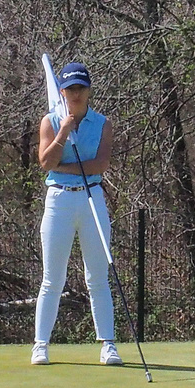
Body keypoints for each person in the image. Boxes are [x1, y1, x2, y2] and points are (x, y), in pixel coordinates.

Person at [31, 61, 121, 367]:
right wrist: (63, 134)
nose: (76, 94)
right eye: (71, 89)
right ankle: (40, 345)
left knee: (98, 276)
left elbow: (99, 165)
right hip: (59, 201)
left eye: (81, 88)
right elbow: (45, 162)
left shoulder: (103, 123)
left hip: (92, 197)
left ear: (89, 90)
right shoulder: (50, 121)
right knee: (52, 279)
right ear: (63, 92)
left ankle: (108, 344)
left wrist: (65, 168)